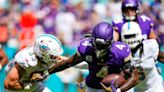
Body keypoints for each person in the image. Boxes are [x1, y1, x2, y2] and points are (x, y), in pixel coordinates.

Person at [48, 22, 139, 92]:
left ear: (111, 42)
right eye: (97, 44)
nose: (99, 48)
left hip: (115, 87)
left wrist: (119, 90)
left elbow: (134, 77)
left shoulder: (120, 52)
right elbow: (68, 63)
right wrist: (46, 73)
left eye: (103, 45)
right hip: (93, 86)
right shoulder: (86, 48)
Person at [121, 21, 164, 92]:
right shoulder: (122, 53)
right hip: (137, 89)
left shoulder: (149, 47)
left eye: (132, 35)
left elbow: (162, 57)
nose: (130, 39)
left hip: (154, 86)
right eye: (128, 36)